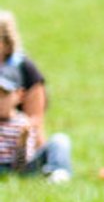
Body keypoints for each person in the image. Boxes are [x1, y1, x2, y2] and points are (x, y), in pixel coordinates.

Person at [0, 10, 73, 182]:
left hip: (21, 153)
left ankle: (57, 174)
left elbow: (36, 124)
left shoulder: (25, 70)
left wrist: (23, 141)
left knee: (60, 142)